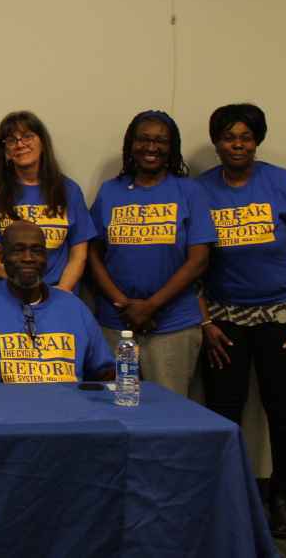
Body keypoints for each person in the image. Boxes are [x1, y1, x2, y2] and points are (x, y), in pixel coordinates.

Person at [196, 103, 286, 539]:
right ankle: (226, 497)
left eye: (246, 137)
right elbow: (189, 262)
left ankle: (283, 498)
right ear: (217, 141)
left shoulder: (285, 184)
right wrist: (204, 321)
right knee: (223, 411)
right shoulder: (200, 190)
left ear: (257, 140)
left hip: (282, 316)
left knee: (285, 411)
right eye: (230, 136)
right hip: (224, 319)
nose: (238, 144)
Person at [85, 110, 216, 397]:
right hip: (115, 325)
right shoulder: (110, 191)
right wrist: (124, 304)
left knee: (170, 415)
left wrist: (151, 306)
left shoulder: (189, 191)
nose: (151, 147)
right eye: (143, 139)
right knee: (117, 409)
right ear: (131, 144)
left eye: (161, 141)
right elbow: (92, 254)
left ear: (172, 148)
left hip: (173, 326)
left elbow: (199, 260)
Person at [0, 221, 114, 384]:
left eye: (36, 250)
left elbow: (107, 372)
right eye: (18, 250)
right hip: (0, 415)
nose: (28, 258)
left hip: (69, 413)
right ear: (1, 255)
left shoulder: (74, 308)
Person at [0, 111, 95, 292]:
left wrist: (58, 293)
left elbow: (79, 255)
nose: (20, 144)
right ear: (5, 150)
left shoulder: (69, 190)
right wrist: (28, 287)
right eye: (12, 140)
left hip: (58, 292)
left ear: (43, 142)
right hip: (7, 291)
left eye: (27, 136)